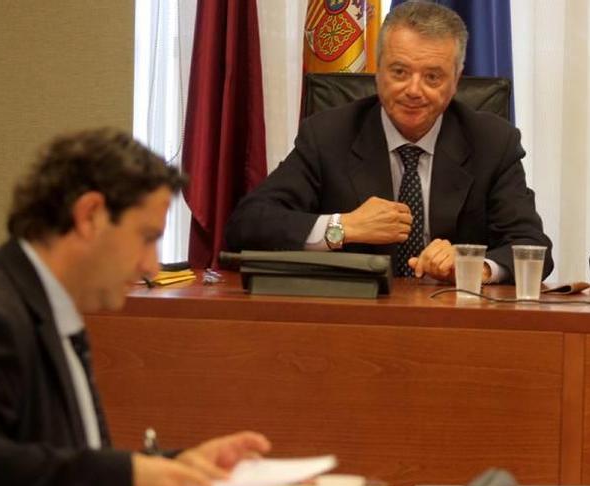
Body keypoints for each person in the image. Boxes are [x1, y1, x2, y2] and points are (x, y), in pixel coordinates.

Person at [0, 129, 271, 486]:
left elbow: (63, 460)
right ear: (89, 215)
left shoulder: (49, 311)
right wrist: (128, 476)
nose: (152, 266)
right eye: (147, 237)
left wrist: (173, 468)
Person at [225, 1, 552, 283]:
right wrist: (343, 227)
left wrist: (473, 266)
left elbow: (533, 248)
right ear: (378, 71)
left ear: (456, 81)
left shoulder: (492, 142)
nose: (413, 89)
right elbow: (248, 224)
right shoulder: (328, 135)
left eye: (433, 77)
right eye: (399, 71)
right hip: (349, 320)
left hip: (453, 325)